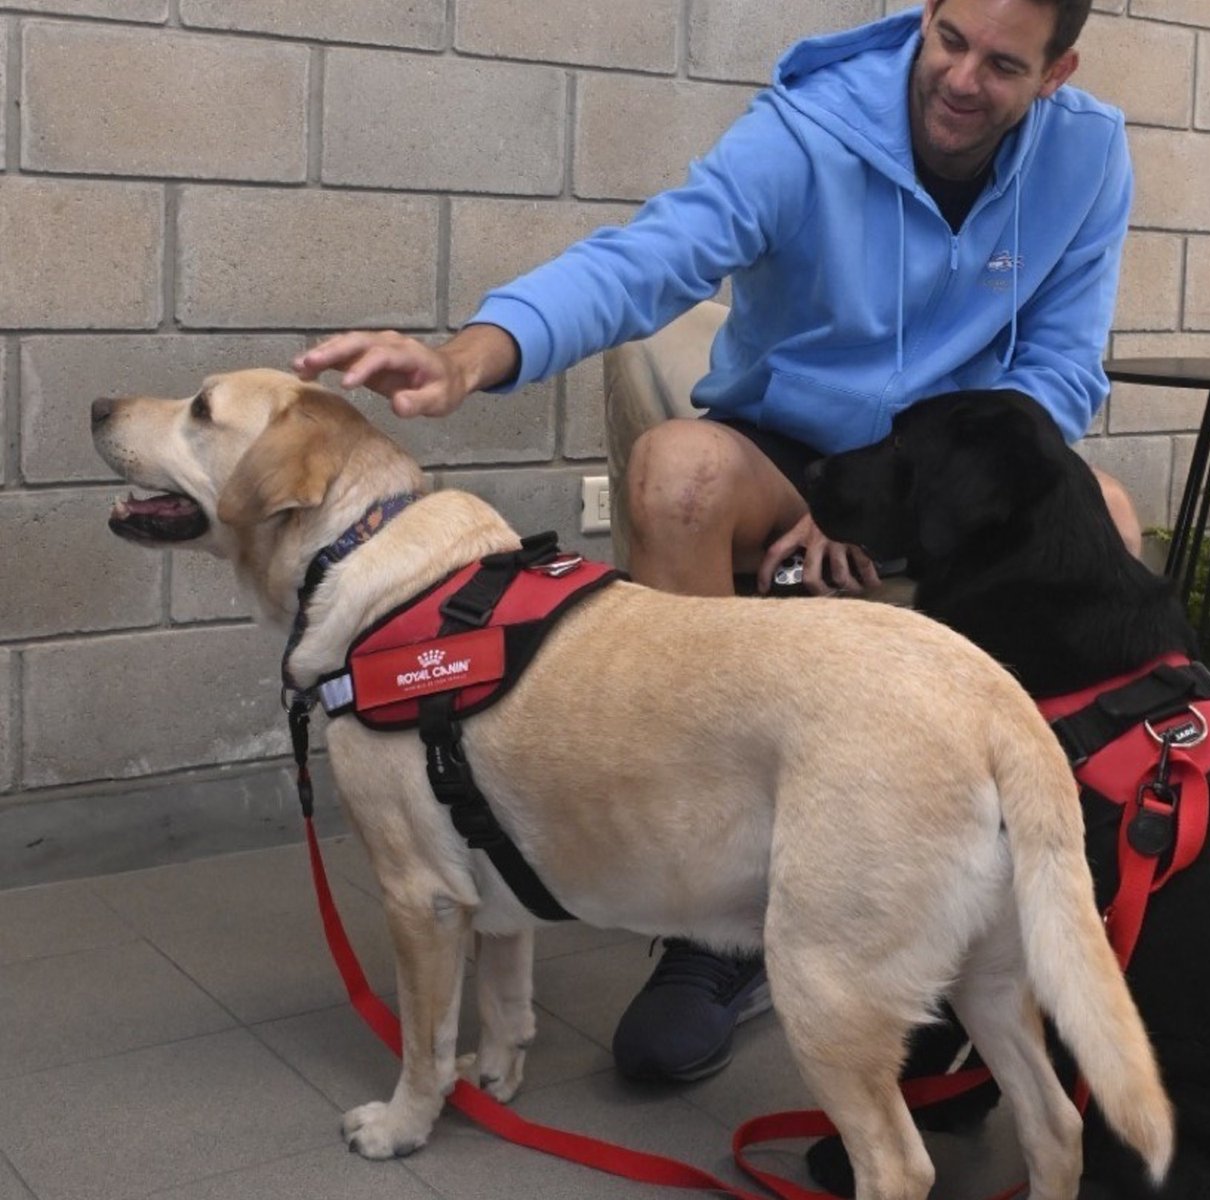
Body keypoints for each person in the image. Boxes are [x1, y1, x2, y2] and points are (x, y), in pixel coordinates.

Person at [295, 0, 1137, 1084]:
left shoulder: (1089, 156)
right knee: (678, 473)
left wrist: (894, 498)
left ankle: (1056, 888)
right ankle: (703, 931)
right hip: (787, 449)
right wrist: (470, 355)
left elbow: (1061, 368)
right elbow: (648, 259)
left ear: (1057, 70)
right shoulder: (806, 130)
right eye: (948, 39)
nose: (963, 78)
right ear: (924, 15)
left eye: (1004, 64)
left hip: (948, 468)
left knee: (1103, 516)